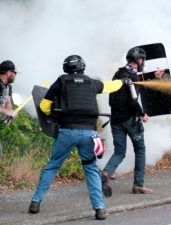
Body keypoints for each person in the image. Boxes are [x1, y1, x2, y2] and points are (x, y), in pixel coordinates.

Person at [28, 55, 127, 220]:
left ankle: (35, 202)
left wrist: (52, 113)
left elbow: (44, 106)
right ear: (82, 67)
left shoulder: (61, 81)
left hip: (66, 132)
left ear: (66, 68)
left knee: (52, 166)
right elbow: (111, 86)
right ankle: (99, 209)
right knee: (91, 169)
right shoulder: (92, 82)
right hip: (89, 134)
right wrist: (123, 81)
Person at [101, 47, 165, 197]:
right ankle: (138, 185)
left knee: (119, 152)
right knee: (140, 150)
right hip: (130, 121)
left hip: (116, 120)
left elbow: (113, 98)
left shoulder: (118, 74)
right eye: (142, 60)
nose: (143, 62)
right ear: (139, 60)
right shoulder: (133, 77)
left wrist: (154, 76)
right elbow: (133, 100)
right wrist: (142, 114)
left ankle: (106, 173)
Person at [0, 60, 18, 160]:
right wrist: (7, 112)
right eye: (14, 73)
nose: (15, 76)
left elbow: (7, 101)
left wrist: (8, 116)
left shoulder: (7, 86)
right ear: (9, 73)